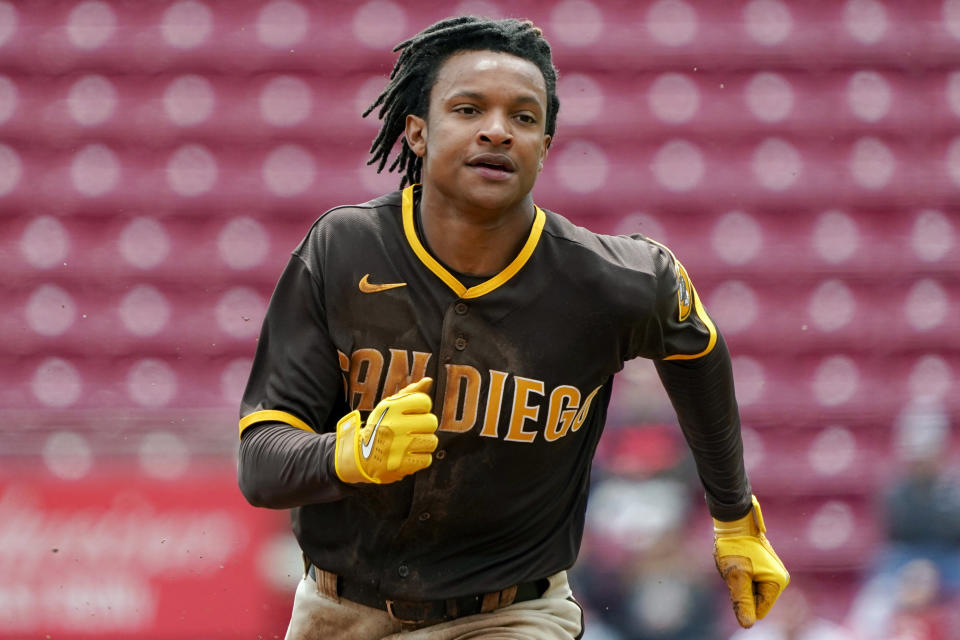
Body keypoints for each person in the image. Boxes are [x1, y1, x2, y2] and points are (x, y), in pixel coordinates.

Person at [236, 16, 789, 640]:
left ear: (546, 145)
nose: (498, 131)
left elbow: (701, 354)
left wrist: (734, 517)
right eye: (469, 109)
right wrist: (349, 454)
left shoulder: (614, 281)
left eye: (524, 118)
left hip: (512, 615)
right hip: (339, 611)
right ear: (416, 131)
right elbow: (260, 463)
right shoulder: (343, 250)